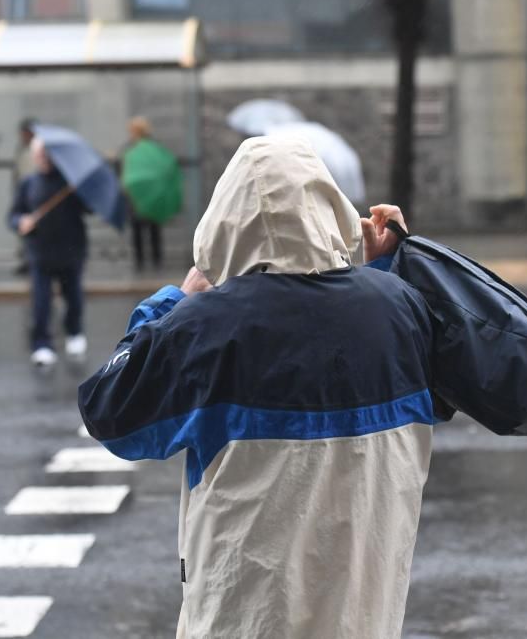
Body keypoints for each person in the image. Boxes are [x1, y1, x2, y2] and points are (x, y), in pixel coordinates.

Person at [78, 136, 445, 637]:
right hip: (364, 614)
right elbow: (431, 394)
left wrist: (174, 303)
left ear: (225, 220)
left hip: (246, 617)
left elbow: (111, 411)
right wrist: (385, 267)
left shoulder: (206, 326)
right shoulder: (398, 306)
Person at [8, 138, 88, 367]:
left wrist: (79, 191)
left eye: (46, 154)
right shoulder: (28, 183)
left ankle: (74, 333)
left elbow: (88, 209)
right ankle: (42, 344)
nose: (42, 158)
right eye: (39, 154)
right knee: (41, 301)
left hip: (70, 250)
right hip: (40, 252)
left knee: (73, 297)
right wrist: (20, 222)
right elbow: (14, 215)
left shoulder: (69, 183)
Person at [122, 116, 164, 271]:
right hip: (143, 195)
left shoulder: (132, 149)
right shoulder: (153, 148)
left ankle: (149, 262)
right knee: (146, 229)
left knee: (146, 229)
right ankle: (150, 261)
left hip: (141, 195)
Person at [12, 118, 37, 276]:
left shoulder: (37, 150)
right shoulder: (20, 150)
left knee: (33, 228)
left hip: (34, 194)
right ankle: (26, 259)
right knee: (24, 228)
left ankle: (31, 259)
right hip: (23, 194)